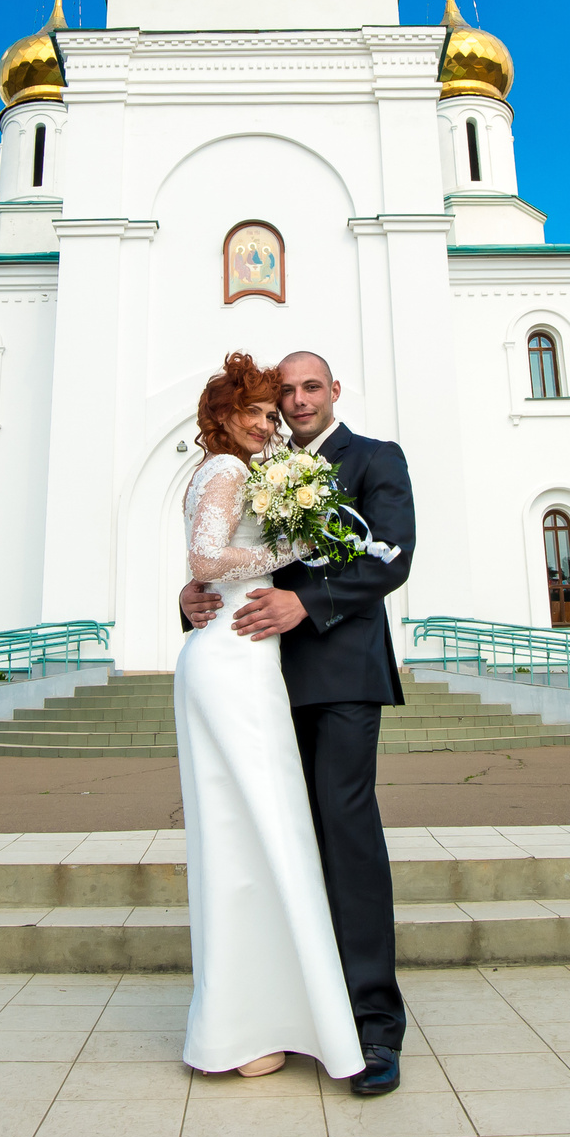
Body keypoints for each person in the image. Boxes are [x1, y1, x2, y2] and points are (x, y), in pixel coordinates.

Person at [179, 349, 412, 1097]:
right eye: (285, 392)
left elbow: (390, 557)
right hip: (261, 675)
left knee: (345, 836)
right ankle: (306, 1006)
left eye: (312, 387)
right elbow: (227, 552)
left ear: (334, 390)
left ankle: (373, 1025)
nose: (297, 401)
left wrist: (308, 602)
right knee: (279, 843)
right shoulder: (258, 464)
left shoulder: (373, 457)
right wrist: (190, 596)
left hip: (338, 676)